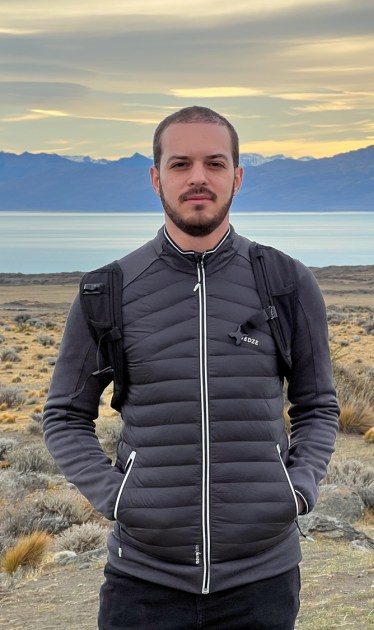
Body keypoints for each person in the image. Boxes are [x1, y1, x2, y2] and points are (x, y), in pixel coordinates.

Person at [43, 106, 340, 629]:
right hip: (143, 581)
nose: (198, 177)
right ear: (156, 178)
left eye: (215, 163)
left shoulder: (286, 282)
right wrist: (118, 499)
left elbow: (317, 405)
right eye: (180, 164)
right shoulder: (107, 291)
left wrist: (297, 489)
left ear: (237, 177)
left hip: (262, 579)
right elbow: (64, 416)